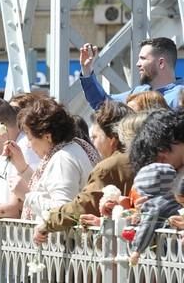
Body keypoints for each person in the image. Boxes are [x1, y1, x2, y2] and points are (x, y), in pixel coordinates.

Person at [33, 101, 136, 243]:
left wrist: (48, 221)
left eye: (95, 137)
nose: (93, 144)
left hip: (118, 248)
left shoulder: (109, 166)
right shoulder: (141, 157)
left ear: (112, 139)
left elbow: (84, 206)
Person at [6, 98, 100, 222]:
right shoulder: (73, 147)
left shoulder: (63, 159)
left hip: (61, 240)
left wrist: (26, 195)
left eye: (30, 138)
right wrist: (22, 168)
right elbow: (47, 189)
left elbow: (62, 212)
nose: (29, 145)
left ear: (47, 136)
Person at [79, 38, 184, 110]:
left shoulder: (179, 98)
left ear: (161, 63)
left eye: (143, 59)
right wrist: (87, 70)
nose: (138, 64)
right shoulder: (139, 92)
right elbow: (103, 105)